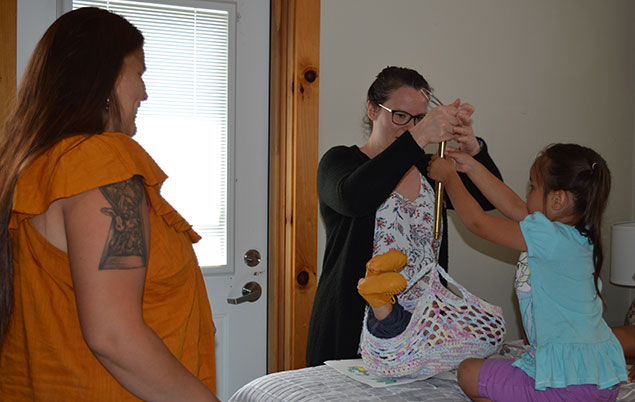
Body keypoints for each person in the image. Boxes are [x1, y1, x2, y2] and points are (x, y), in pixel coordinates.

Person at [0, 8, 219, 401]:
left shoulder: (39, 163)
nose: (145, 92)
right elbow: (113, 335)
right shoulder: (99, 166)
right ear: (105, 77)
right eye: (140, 73)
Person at [305, 66, 502, 366]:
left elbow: (485, 201)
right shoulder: (340, 162)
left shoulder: (430, 169)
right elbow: (355, 197)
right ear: (372, 109)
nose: (409, 127)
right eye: (400, 116)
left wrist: (474, 148)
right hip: (353, 330)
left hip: (424, 330)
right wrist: (420, 135)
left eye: (419, 119)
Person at [427, 143, 627, 401]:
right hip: (598, 378)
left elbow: (478, 222)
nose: (528, 194)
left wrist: (450, 179)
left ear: (558, 200)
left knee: (468, 373)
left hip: (571, 385)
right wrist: (471, 167)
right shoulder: (577, 234)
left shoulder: (550, 238)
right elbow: (514, 206)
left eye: (533, 187)